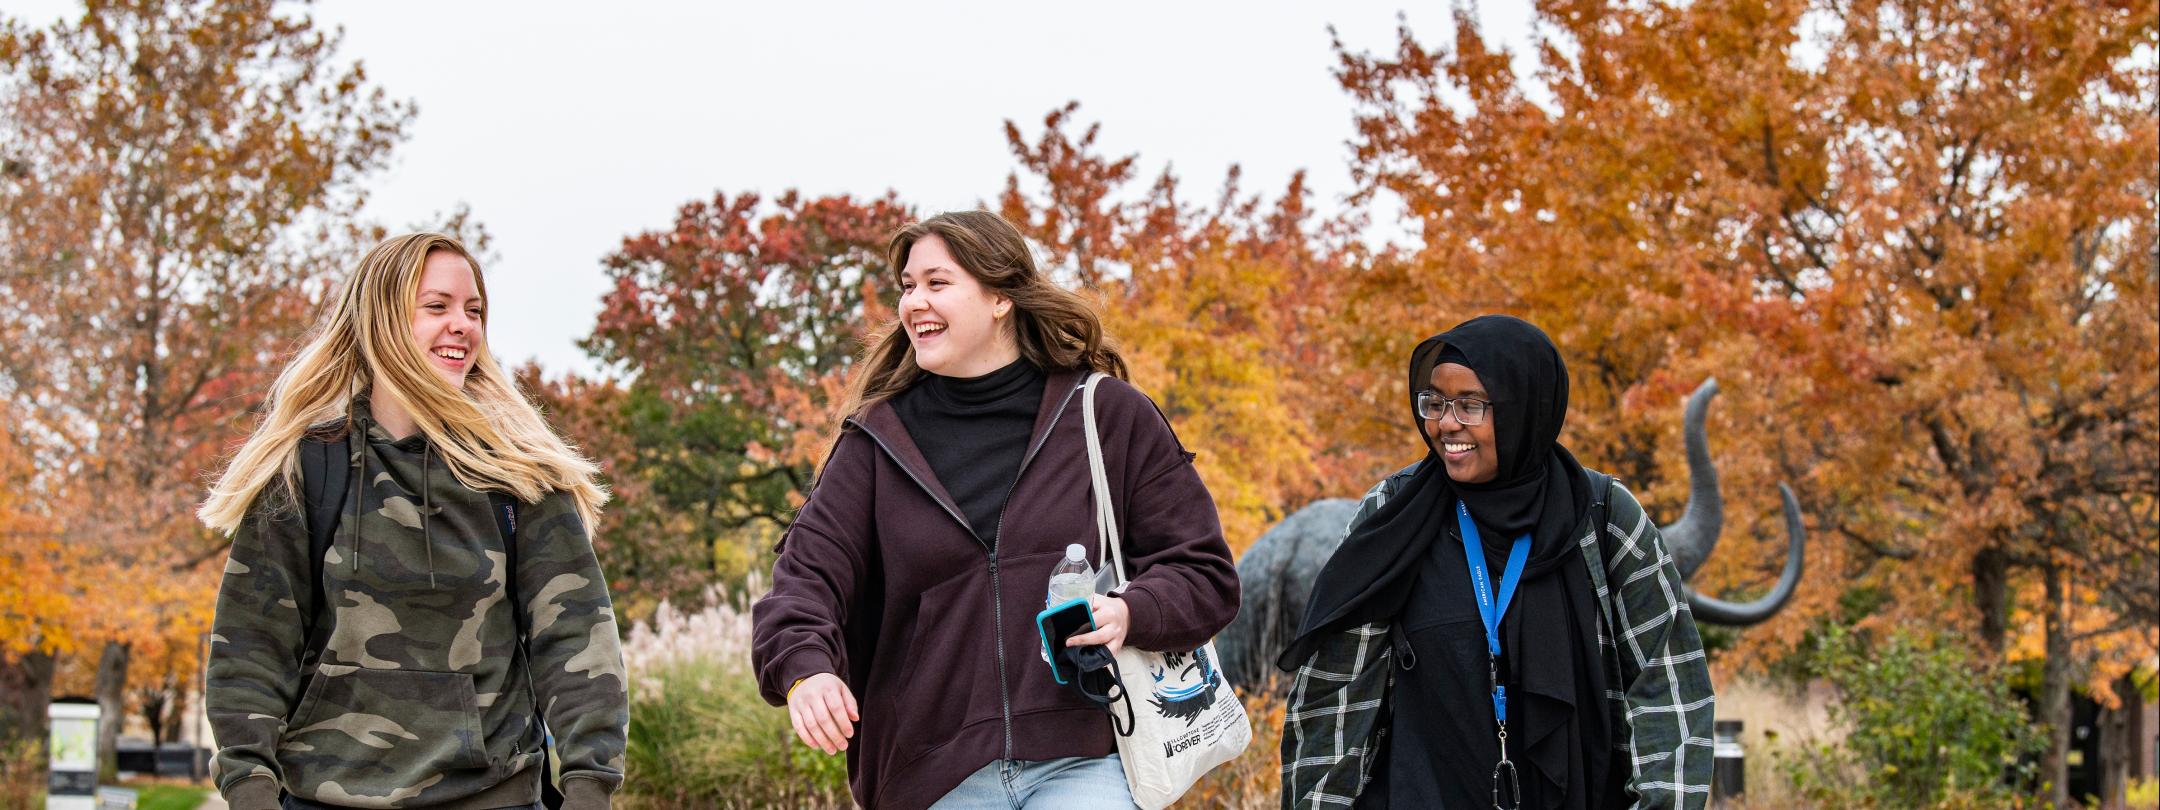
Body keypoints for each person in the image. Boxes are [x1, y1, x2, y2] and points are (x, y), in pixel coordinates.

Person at [751, 210, 1240, 809]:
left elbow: (1204, 572)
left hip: (1086, 756)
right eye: (908, 286)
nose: (914, 302)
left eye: (937, 283)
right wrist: (806, 669)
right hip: (932, 774)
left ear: (1001, 297)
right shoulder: (876, 442)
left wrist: (1128, 612)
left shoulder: (1106, 416)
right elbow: (804, 580)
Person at [198, 233, 629, 810]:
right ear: (382, 320)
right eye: (437, 306)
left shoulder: (519, 475)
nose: (462, 325)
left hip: (490, 795)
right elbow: (251, 643)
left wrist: (589, 785)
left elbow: (576, 637)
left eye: (473, 310)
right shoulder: (308, 469)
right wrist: (249, 786)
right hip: (325, 795)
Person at [1278, 315, 1714, 809]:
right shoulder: (1394, 514)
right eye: (1435, 402)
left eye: (1470, 405)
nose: (1446, 424)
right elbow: (1336, 694)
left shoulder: (1603, 515)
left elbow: (1668, 684)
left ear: (1525, 408)